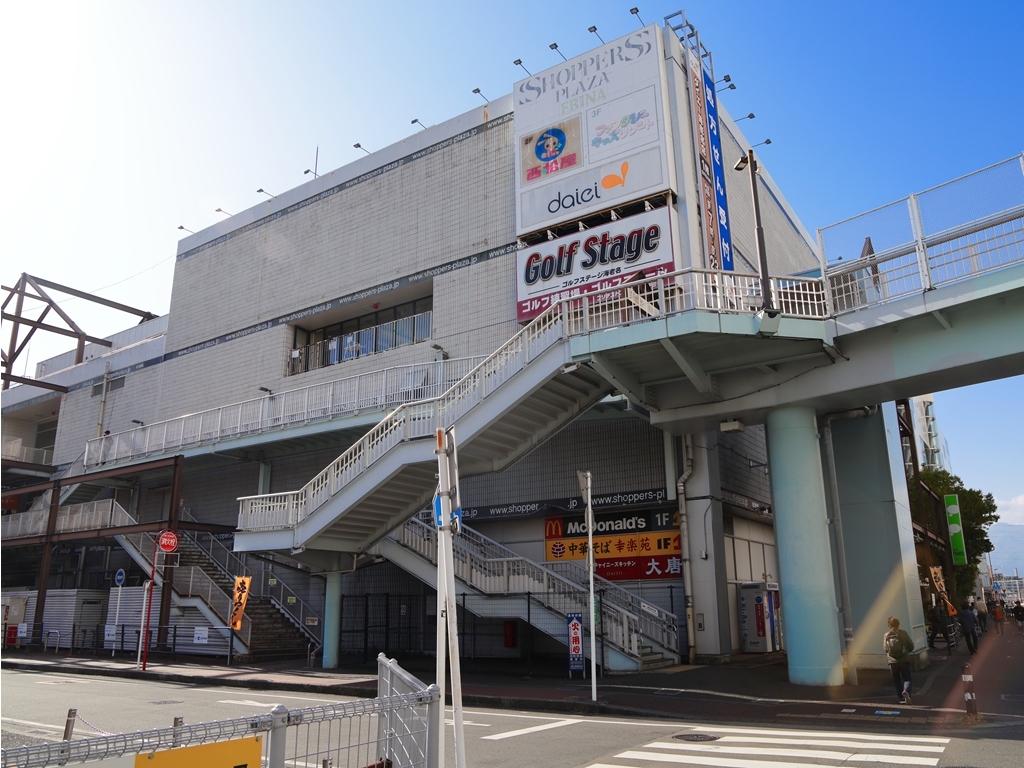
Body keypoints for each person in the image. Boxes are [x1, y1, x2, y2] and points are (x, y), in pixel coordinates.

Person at [884, 616, 915, 704]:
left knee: (896, 680)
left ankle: (901, 699)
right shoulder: (904, 633)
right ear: (898, 625)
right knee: (907, 678)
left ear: (889, 626)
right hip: (904, 660)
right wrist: (905, 652)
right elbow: (911, 646)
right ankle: (906, 692)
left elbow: (886, 649)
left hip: (892, 662)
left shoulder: (886, 635)